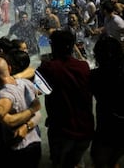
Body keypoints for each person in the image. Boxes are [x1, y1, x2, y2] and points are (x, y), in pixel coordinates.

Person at [37, 30, 94, 168]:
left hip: (62, 131)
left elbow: (37, 90)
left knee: (59, 163)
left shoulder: (49, 67)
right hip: (85, 129)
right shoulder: (84, 66)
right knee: (77, 161)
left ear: (53, 46)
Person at [90, 35, 124, 168]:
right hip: (120, 125)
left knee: (99, 160)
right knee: (114, 158)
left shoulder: (94, 76)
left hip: (106, 127)